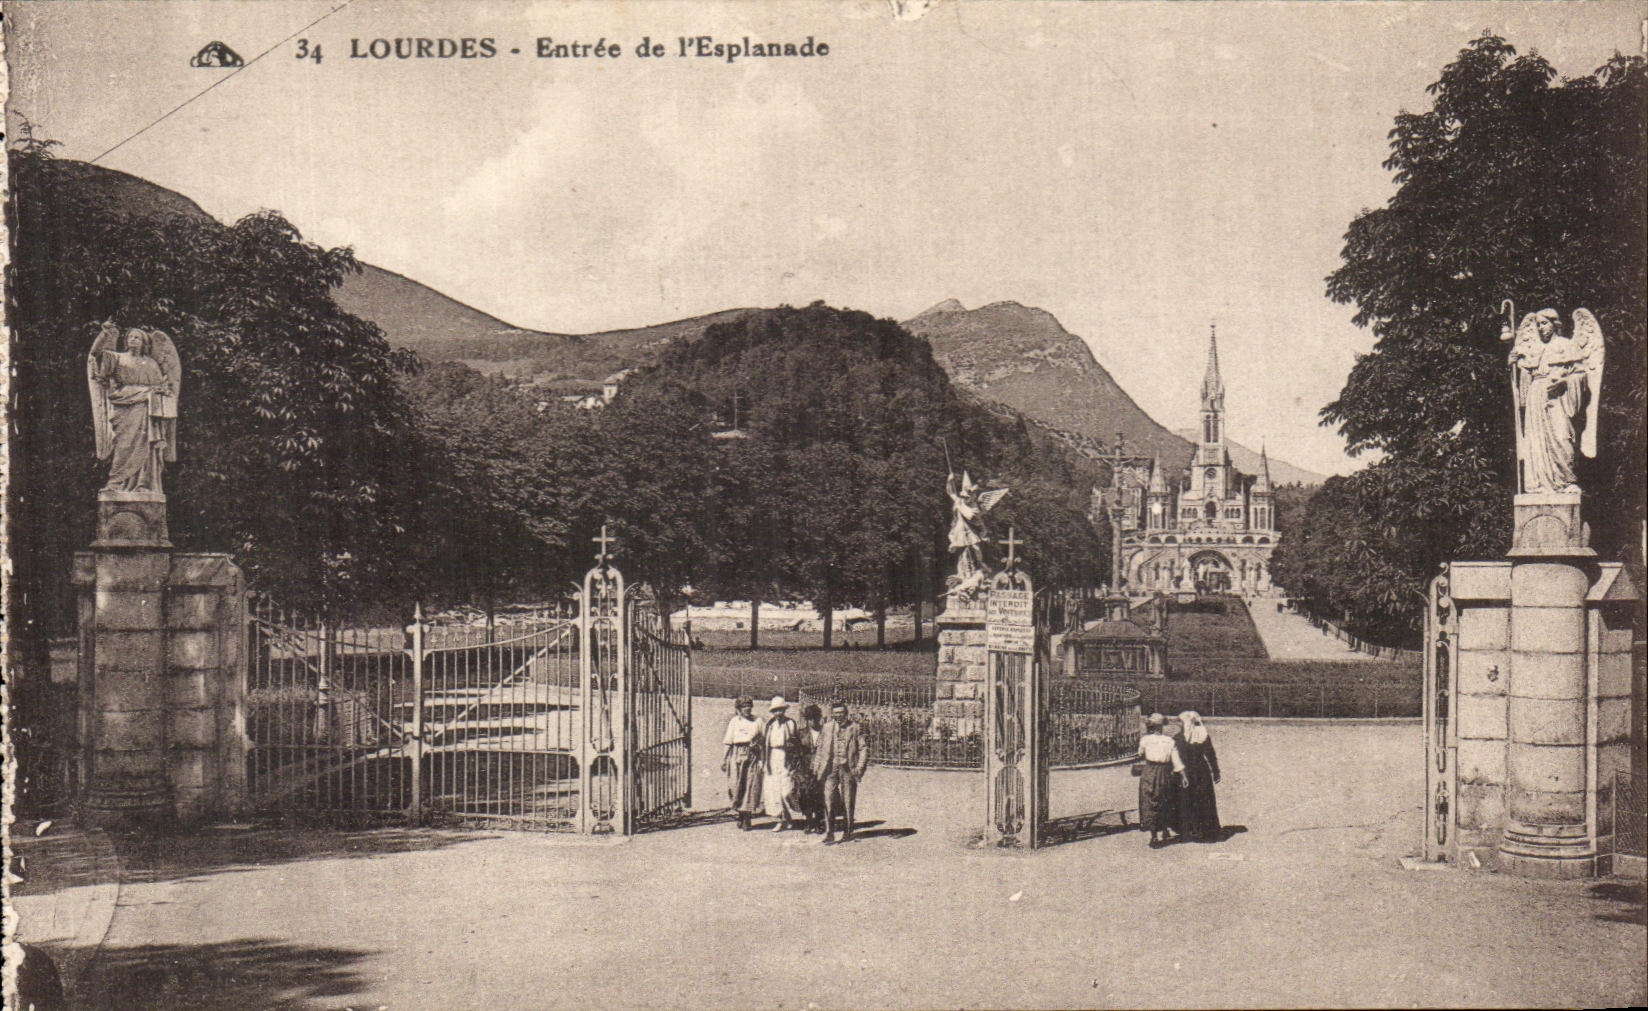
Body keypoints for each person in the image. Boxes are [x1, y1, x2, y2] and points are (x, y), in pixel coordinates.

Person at [88, 323, 180, 494]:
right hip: (124, 407)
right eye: (130, 337)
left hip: (146, 410)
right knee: (123, 446)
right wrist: (105, 335)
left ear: (144, 342)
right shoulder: (116, 358)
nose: (133, 340)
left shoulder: (151, 363)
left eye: (137, 337)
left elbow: (161, 387)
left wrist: (162, 390)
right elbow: (96, 356)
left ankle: (143, 484)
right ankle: (116, 483)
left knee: (146, 447)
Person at [814, 701, 869, 844]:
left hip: (848, 768)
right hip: (830, 768)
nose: (838, 716)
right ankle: (829, 832)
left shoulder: (855, 728)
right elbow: (819, 748)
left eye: (841, 713)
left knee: (848, 800)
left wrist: (859, 768)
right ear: (832, 714)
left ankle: (848, 831)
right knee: (828, 799)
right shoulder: (826, 727)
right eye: (836, 713)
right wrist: (816, 767)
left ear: (846, 714)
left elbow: (863, 748)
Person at [1136, 713, 1185, 847]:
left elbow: (1140, 754)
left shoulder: (1145, 740)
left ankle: (1153, 836)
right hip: (1164, 773)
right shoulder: (1170, 741)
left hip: (1149, 772)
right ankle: (1164, 829)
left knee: (1150, 801)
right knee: (1164, 799)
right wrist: (1183, 776)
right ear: (1162, 726)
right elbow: (1177, 762)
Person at [1175, 711, 1222, 841]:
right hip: (1202, 771)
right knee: (1203, 798)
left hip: (1186, 772)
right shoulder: (1203, 736)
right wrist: (1216, 771)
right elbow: (1211, 755)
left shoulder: (1179, 738)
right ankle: (1207, 829)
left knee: (1188, 799)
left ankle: (1190, 829)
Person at [721, 695, 764, 830]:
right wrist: (724, 759)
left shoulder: (758, 721)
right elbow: (728, 741)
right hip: (737, 754)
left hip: (753, 756)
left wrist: (761, 757)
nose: (747, 709)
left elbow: (764, 740)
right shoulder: (735, 721)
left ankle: (747, 818)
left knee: (751, 786)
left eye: (749, 706)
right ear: (739, 708)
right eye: (744, 706)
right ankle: (740, 813)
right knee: (736, 786)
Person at [761, 696, 799, 831]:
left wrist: (793, 763)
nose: (778, 713)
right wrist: (765, 761)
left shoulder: (790, 723)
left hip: (786, 757)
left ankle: (788, 816)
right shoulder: (770, 724)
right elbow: (765, 744)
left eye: (781, 710)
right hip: (773, 757)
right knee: (773, 791)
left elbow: (795, 744)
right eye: (776, 711)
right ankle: (780, 819)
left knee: (786, 790)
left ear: (784, 710)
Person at [791, 703, 826, 833]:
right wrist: (796, 767)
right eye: (810, 719)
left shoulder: (825, 732)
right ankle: (808, 819)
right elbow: (794, 751)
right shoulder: (801, 733)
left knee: (820, 794)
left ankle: (819, 821)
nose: (813, 721)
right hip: (805, 768)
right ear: (806, 719)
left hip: (821, 766)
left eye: (816, 718)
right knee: (805, 793)